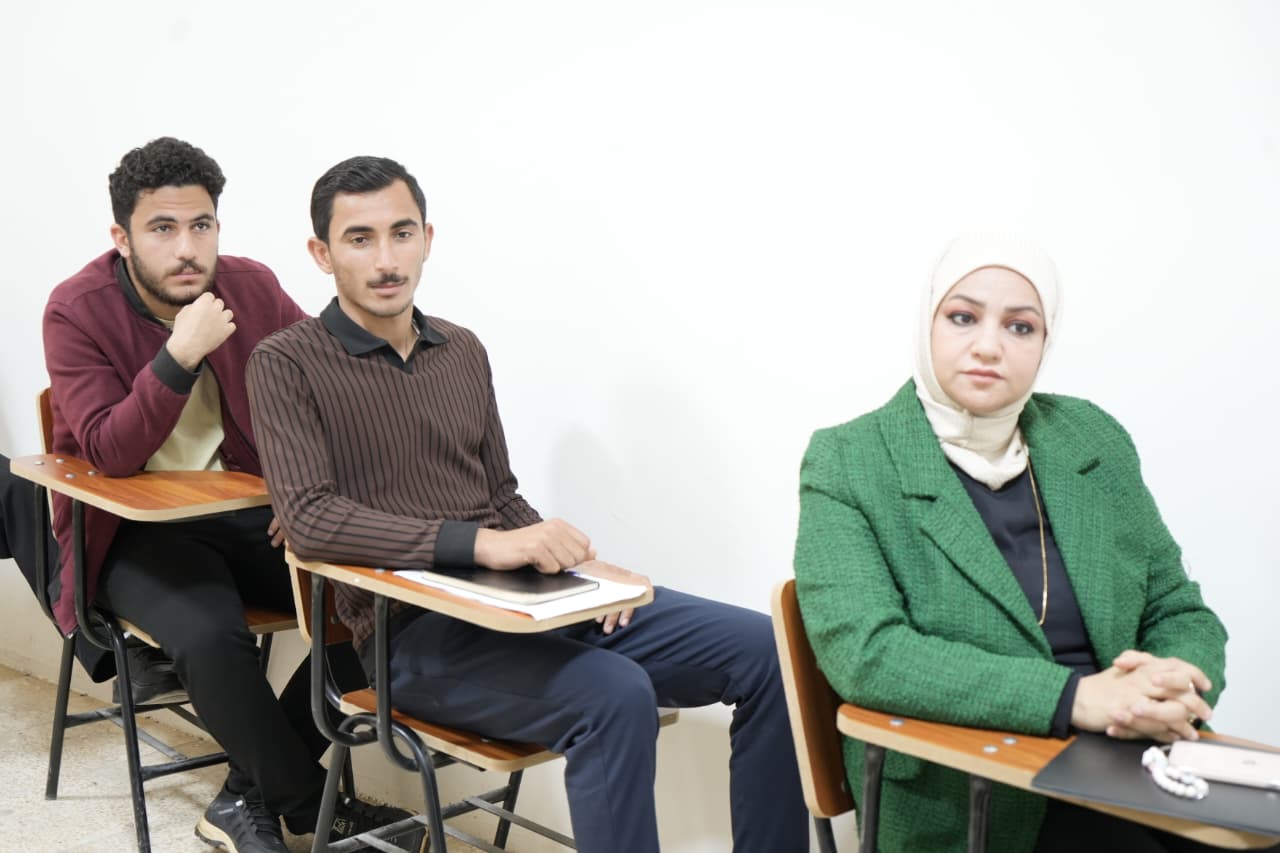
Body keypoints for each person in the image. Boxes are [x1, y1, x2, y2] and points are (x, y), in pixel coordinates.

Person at [245, 155, 808, 853]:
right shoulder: (285, 362)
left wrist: (584, 572)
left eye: (402, 233)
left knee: (770, 650)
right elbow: (309, 519)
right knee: (614, 694)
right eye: (360, 239)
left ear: (427, 238)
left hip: (528, 603)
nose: (386, 260)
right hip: (411, 639)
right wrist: (484, 545)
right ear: (321, 254)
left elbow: (499, 497)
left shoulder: (461, 349)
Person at [792, 233, 1243, 853]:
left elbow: (1177, 607)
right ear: (927, 324)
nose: (988, 346)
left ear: (1044, 342)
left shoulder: (1091, 436)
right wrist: (1075, 698)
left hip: (1133, 755)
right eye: (963, 317)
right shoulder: (849, 459)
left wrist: (1176, 682)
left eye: (1020, 327)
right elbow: (868, 655)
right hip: (977, 787)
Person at [42, 138, 421, 853]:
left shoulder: (249, 287)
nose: (187, 249)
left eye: (202, 225)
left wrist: (299, 491)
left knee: (385, 600)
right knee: (211, 635)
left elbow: (330, 394)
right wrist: (179, 353)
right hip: (131, 533)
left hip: (246, 515)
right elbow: (108, 452)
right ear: (122, 238)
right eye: (162, 229)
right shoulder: (75, 309)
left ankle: (245, 795)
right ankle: (310, 805)